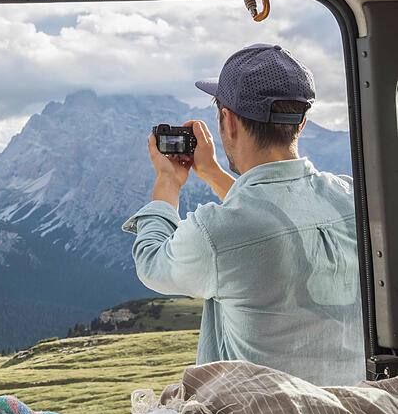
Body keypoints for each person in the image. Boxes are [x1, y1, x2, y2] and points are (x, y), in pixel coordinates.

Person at [122, 44, 364, 386]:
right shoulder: (355, 197)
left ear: (228, 121)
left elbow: (151, 263)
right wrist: (211, 173)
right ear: (302, 123)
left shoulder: (216, 233)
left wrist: (168, 183)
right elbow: (272, 214)